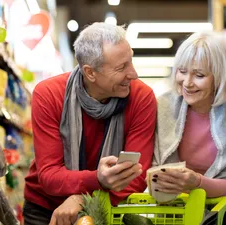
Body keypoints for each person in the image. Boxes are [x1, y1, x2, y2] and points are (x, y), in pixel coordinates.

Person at [23, 22, 157, 225]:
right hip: (47, 208)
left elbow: (135, 175)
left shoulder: (142, 97)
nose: (134, 74)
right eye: (122, 67)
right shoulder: (49, 94)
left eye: (131, 61)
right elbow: (49, 175)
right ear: (90, 72)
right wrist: (98, 179)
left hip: (108, 207)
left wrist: (83, 198)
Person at [152, 32, 226, 225]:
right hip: (184, 209)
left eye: (199, 75)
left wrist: (196, 182)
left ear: (220, 77)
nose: (187, 82)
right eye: (182, 71)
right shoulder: (162, 107)